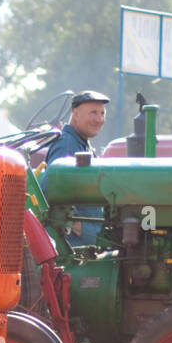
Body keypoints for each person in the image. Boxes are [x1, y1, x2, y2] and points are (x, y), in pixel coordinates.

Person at [43, 90, 110, 245]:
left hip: (87, 243)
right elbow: (49, 187)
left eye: (102, 113)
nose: (99, 119)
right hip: (74, 247)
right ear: (75, 113)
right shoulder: (68, 144)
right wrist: (76, 226)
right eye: (93, 112)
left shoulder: (83, 145)